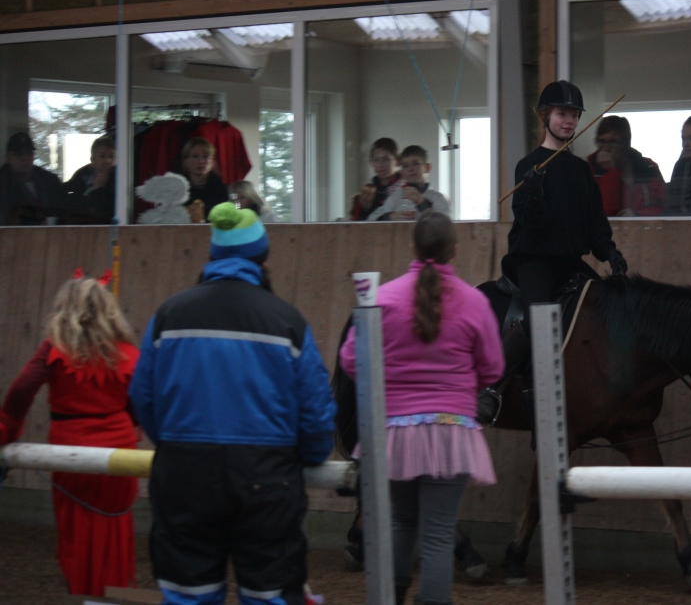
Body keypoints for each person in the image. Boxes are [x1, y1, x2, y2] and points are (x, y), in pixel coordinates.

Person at [129, 202, 337, 605]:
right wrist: (311, 455)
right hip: (266, 479)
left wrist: (173, 442)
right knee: (269, 595)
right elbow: (314, 410)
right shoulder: (286, 320)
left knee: (189, 595)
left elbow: (143, 395)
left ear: (212, 256)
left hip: (184, 474)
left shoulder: (169, 315)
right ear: (262, 259)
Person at [340, 212, 504, 605]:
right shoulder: (475, 302)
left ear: (413, 247)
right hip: (452, 432)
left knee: (400, 521)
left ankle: (391, 597)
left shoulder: (383, 299)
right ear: (454, 249)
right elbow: (493, 368)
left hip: (395, 434)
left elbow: (350, 360)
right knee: (438, 533)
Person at [0, 271, 139, 597]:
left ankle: (86, 592)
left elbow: (21, 390)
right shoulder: (127, 353)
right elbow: (140, 401)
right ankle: (112, 595)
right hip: (119, 451)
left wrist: (6, 431)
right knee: (115, 531)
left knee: (77, 530)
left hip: (71, 451)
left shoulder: (54, 348)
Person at [501, 80, 627, 350]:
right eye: (562, 114)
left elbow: (594, 221)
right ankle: (516, 374)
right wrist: (535, 193)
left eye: (574, 115)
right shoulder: (528, 166)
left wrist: (609, 252)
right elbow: (530, 223)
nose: (569, 121)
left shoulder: (581, 169)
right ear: (545, 116)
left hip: (570, 264)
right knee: (541, 328)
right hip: (535, 263)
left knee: (610, 310)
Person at [585, 115, 665, 216]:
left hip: (645, 224)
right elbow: (605, 211)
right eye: (602, 142)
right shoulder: (589, 169)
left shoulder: (648, 167)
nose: (606, 148)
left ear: (626, 143)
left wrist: (638, 215)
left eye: (613, 142)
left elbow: (664, 206)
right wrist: (611, 171)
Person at [368, 145, 450, 221]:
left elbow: (443, 225)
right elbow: (371, 219)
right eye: (405, 166)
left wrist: (422, 203)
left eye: (415, 163)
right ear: (402, 173)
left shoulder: (438, 198)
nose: (410, 169)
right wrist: (389, 217)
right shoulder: (396, 197)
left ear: (427, 167)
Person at [0, 132, 66, 225]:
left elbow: (63, 212)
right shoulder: (3, 184)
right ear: (8, 157)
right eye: (19, 154)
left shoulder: (50, 181)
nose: (25, 158)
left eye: (29, 153)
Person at [64, 135, 116, 224]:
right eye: (102, 156)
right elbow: (68, 191)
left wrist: (99, 188)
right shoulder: (82, 174)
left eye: (111, 156)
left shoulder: (117, 178)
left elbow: (105, 212)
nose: (108, 161)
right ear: (93, 159)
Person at [176, 137, 230, 221]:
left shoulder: (225, 191)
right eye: (195, 156)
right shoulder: (176, 192)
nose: (200, 161)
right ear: (185, 161)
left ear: (212, 161)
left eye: (205, 156)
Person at [349, 137, 401, 221]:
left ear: (397, 161)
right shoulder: (368, 191)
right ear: (371, 163)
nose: (381, 165)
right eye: (376, 160)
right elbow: (357, 224)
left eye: (386, 159)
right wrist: (365, 209)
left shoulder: (405, 187)